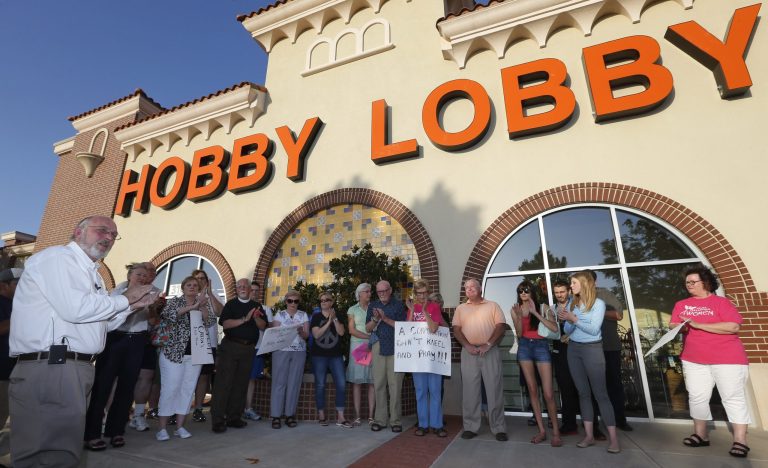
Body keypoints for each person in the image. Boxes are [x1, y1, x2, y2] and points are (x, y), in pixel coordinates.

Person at [8, 215, 153, 468]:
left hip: (71, 368)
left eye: (113, 235)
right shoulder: (58, 258)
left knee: (60, 451)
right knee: (48, 454)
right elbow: (75, 309)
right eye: (102, 231)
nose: (108, 238)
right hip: (54, 367)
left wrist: (131, 306)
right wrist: (126, 298)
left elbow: (100, 325)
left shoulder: (90, 272)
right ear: (78, 232)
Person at [670, 265, 751, 458]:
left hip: (727, 359)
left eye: (693, 281)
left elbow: (732, 326)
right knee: (697, 397)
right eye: (687, 282)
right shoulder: (682, 304)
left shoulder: (721, 303)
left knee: (732, 398)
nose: (689, 285)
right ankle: (701, 435)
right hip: (694, 359)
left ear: (705, 282)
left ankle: (740, 440)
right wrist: (678, 326)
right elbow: (674, 324)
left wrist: (697, 324)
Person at [84, 263, 164, 450]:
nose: (143, 278)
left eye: (146, 276)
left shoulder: (152, 296)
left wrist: (153, 308)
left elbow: (152, 322)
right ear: (130, 276)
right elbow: (110, 318)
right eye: (139, 274)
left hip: (137, 341)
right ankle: (92, 434)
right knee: (102, 386)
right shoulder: (116, 293)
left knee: (127, 388)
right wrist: (134, 305)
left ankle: (116, 431)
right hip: (115, 339)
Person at [558, 271, 620, 453]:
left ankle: (614, 440)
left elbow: (593, 330)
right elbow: (569, 329)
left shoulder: (599, 304)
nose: (571, 286)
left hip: (592, 349)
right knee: (583, 393)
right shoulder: (573, 304)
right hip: (574, 350)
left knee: (601, 394)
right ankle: (589, 436)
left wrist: (574, 319)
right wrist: (567, 319)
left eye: (574, 283)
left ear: (584, 284)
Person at [155, 275, 216, 441]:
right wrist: (193, 307)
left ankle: (180, 426)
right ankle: (161, 428)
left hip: (194, 354)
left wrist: (202, 305)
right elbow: (168, 315)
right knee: (170, 389)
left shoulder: (202, 304)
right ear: (183, 287)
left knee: (188, 389)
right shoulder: (175, 302)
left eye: (195, 285)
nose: (192, 287)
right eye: (189, 284)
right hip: (173, 354)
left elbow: (210, 321)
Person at [452, 278, 508, 442]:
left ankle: (498, 428)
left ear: (480, 289)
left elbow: (501, 326)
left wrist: (488, 344)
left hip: (489, 351)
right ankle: (470, 427)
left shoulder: (493, 305)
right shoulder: (461, 308)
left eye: (472, 287)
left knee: (494, 390)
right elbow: (456, 330)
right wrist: (467, 345)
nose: (469, 289)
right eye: (466, 288)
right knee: (470, 392)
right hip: (469, 352)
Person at [510, 280, 562, 447]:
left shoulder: (544, 307)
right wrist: (518, 317)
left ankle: (555, 432)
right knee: (532, 390)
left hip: (541, 347)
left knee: (548, 393)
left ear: (532, 291)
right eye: (520, 291)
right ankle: (541, 431)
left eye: (526, 290)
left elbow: (554, 329)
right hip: (524, 347)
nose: (523, 293)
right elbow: (518, 334)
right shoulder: (515, 309)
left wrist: (535, 313)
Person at [211, 279, 267, 433]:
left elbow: (263, 326)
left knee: (241, 384)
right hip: (230, 347)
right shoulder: (231, 304)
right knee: (223, 384)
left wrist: (255, 317)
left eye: (245, 286)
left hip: (248, 349)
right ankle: (217, 420)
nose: (242, 288)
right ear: (236, 289)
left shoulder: (257, 306)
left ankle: (234, 417)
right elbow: (225, 324)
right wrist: (244, 319)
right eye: (239, 286)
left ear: (250, 289)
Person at [592, 272, 633, 432]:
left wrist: (597, 311)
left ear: (593, 281)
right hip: (589, 350)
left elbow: (618, 315)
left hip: (609, 348)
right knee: (591, 388)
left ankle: (619, 420)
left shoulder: (604, 294)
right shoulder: (577, 298)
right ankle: (593, 425)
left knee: (614, 386)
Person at [407, 279, 447, 437]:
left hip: (433, 357)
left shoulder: (434, 307)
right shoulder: (412, 307)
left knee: (435, 391)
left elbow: (433, 328)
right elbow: (408, 330)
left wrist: (424, 311)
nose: (422, 296)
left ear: (428, 292)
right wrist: (411, 311)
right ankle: (423, 424)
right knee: (421, 391)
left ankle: (437, 424)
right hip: (418, 358)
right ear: (415, 294)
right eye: (419, 293)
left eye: (424, 293)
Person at [365, 280, 407, 432]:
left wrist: (385, 318)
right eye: (379, 291)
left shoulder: (398, 305)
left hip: (396, 348)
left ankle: (395, 421)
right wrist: (375, 319)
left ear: (390, 290)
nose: (381, 294)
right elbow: (368, 328)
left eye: (384, 291)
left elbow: (403, 327)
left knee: (395, 385)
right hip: (378, 347)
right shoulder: (373, 305)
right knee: (379, 384)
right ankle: (380, 420)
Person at [130, 262, 164, 432]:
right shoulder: (122, 289)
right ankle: (107, 415)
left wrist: (154, 309)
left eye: (152, 271)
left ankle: (138, 416)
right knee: (119, 378)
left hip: (147, 340)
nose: (149, 274)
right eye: (145, 271)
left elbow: (154, 321)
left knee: (146, 377)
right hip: (123, 338)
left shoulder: (157, 293)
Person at [311, 292, 352, 428]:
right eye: (321, 300)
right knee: (320, 385)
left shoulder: (338, 315)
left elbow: (341, 332)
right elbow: (316, 335)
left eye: (326, 299)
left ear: (332, 302)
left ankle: (341, 417)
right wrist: (328, 321)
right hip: (319, 356)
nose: (323, 302)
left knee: (341, 383)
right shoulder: (316, 317)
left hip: (336, 355)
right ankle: (321, 415)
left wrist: (334, 319)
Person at [270, 289, 309, 429]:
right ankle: (275, 416)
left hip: (299, 351)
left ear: (299, 302)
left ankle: (290, 415)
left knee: (294, 383)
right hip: (281, 351)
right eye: (290, 301)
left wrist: (300, 331)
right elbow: (273, 335)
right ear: (286, 301)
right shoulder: (279, 315)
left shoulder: (303, 315)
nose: (293, 303)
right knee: (279, 382)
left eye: (296, 301)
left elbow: (306, 336)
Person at [191, 269, 223, 423]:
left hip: (208, 344)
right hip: (191, 344)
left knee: (204, 377)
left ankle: (198, 408)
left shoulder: (213, 295)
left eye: (203, 278)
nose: (200, 281)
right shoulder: (189, 296)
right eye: (197, 278)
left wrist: (209, 293)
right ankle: (178, 409)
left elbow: (219, 312)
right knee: (187, 377)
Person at [550, 280, 580, 436]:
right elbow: (549, 330)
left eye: (562, 291)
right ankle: (570, 425)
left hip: (578, 350)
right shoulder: (551, 309)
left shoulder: (577, 305)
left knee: (583, 388)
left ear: (568, 291)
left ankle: (594, 427)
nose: (559, 295)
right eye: (556, 292)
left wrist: (572, 337)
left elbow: (585, 324)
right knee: (566, 389)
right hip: (560, 353)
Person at [243, 280, 272, 421]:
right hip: (240, 348)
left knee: (251, 379)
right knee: (238, 378)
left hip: (257, 348)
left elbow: (267, 328)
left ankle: (248, 408)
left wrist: (255, 315)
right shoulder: (239, 306)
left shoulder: (265, 309)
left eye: (256, 291)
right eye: (252, 290)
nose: (254, 293)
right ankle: (234, 409)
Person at [346, 283, 375, 427]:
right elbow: (351, 330)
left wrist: (371, 341)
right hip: (358, 347)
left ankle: (371, 417)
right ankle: (357, 416)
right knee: (357, 382)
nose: (370, 294)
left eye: (370, 291)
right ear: (359, 294)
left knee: (372, 382)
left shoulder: (375, 308)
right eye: (367, 291)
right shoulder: (352, 309)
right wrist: (368, 337)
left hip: (372, 348)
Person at [0, 268, 22, 452]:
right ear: (3, 285)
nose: (21, 286)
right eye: (17, 283)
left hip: (11, 371)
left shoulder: (16, 304)